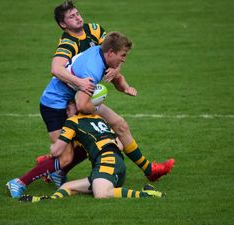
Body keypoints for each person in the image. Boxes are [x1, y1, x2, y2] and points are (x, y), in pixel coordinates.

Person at [6, 32, 174, 198]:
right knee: (66, 156)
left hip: (75, 99)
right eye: (122, 55)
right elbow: (82, 105)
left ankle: (150, 170)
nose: (124, 59)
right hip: (56, 104)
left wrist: (125, 88)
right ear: (110, 53)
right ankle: (20, 182)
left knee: (119, 125)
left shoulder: (102, 53)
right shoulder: (92, 70)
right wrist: (98, 113)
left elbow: (116, 77)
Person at [37, 0, 173, 188]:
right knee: (90, 142)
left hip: (85, 93)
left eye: (77, 13)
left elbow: (116, 49)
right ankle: (50, 167)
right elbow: (55, 69)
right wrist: (81, 83)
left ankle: (150, 170)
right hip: (70, 98)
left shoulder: (93, 29)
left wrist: (117, 72)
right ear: (63, 24)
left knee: (119, 125)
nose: (77, 17)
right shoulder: (68, 44)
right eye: (71, 17)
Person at [19, 101, 166, 203]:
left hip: (105, 163)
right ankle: (47, 200)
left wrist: (51, 152)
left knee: (101, 195)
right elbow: (120, 145)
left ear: (75, 110)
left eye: (68, 110)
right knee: (67, 187)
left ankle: (146, 194)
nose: (66, 113)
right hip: (115, 165)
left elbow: (57, 149)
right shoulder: (98, 118)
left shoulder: (72, 121)